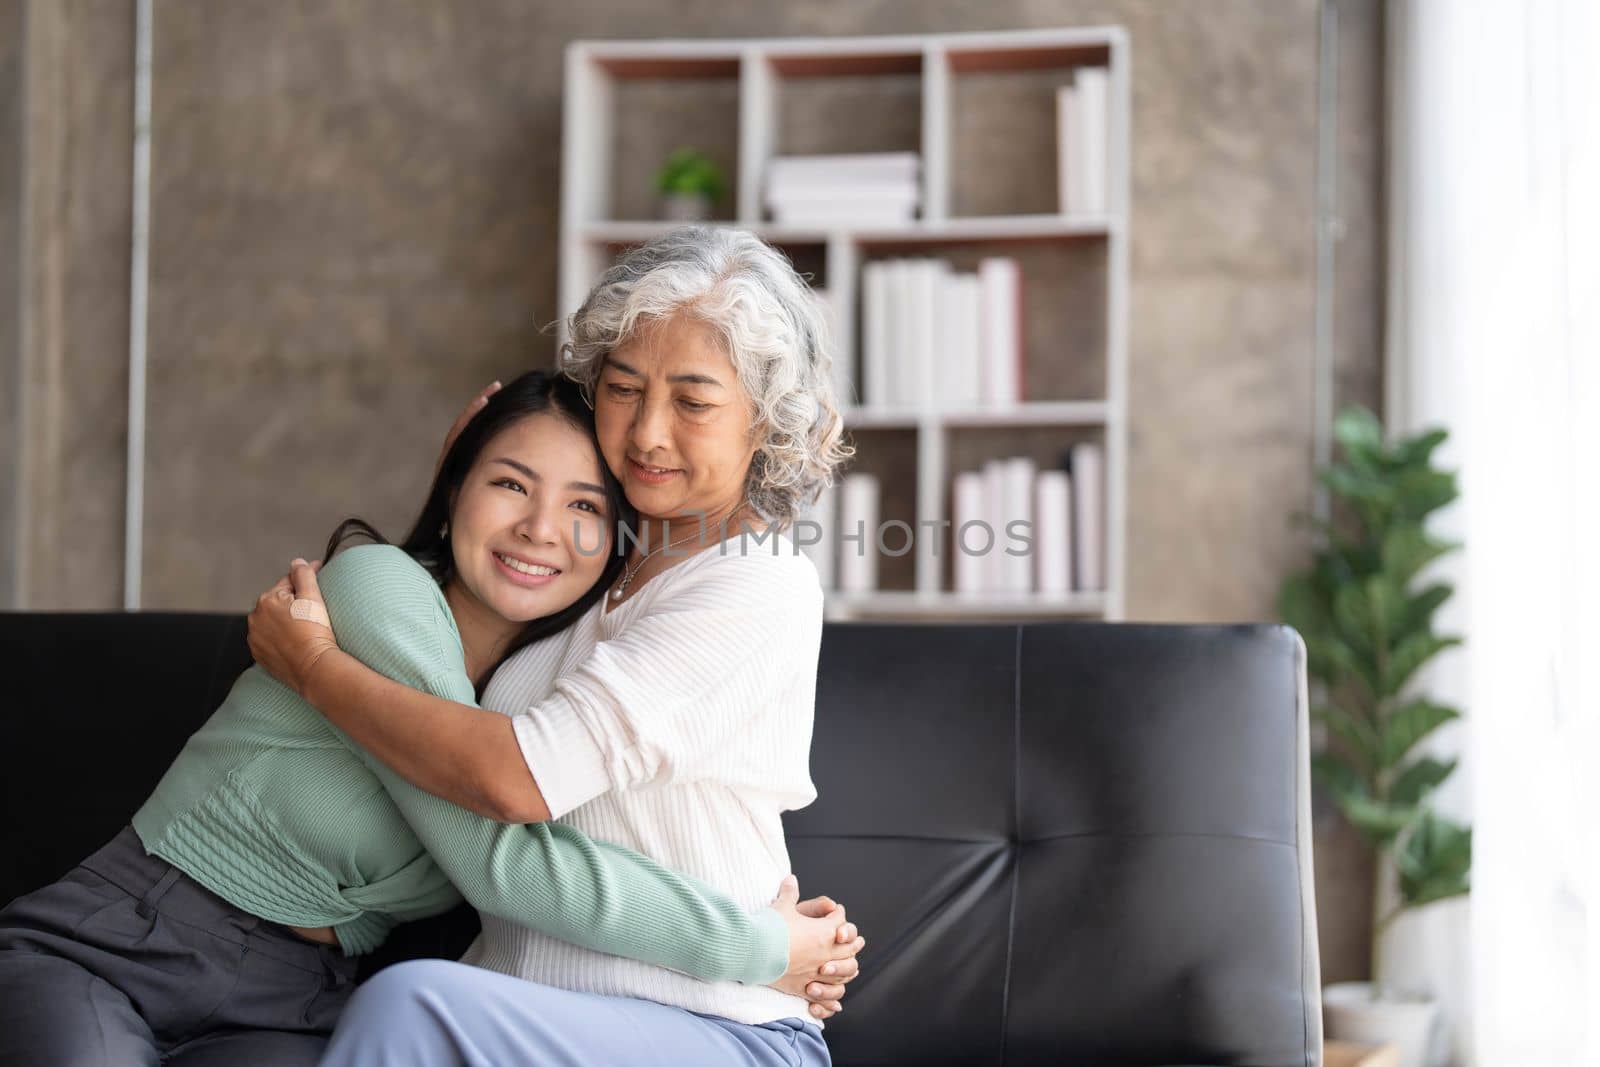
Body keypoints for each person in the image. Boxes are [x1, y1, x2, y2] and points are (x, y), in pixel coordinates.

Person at [0, 370, 858, 1067]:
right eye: (509, 483)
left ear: (617, 543)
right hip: (128, 940)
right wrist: (755, 944)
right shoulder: (373, 591)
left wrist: (790, 946)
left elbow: (560, 849)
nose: (539, 529)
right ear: (456, 488)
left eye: (585, 508)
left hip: (293, 999)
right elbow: (499, 858)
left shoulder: (526, 696)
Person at [246, 225, 858, 1065]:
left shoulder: (758, 580)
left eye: (693, 400)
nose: (647, 432)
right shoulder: (591, 565)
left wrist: (315, 669)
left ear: (766, 419)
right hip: (530, 1013)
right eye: (623, 387)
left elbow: (515, 774)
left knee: (409, 1003)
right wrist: (464, 478)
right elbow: (440, 643)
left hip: (722, 1027)